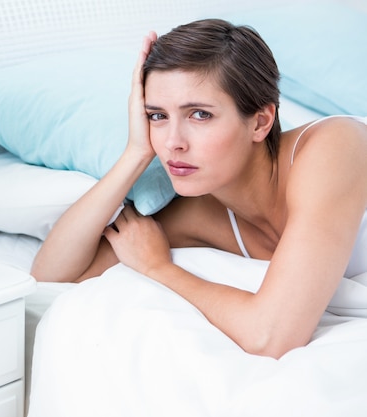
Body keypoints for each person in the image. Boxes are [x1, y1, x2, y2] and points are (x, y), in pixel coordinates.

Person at [30, 19, 367, 359]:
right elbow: (49, 277)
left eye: (200, 115)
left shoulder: (335, 148)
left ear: (261, 121)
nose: (173, 143)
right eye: (157, 116)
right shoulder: (199, 212)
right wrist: (136, 153)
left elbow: (272, 336)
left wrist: (159, 269)